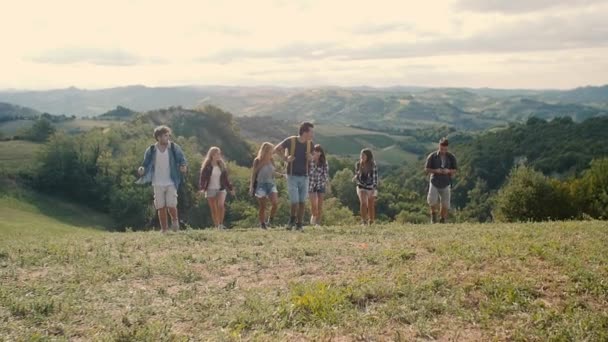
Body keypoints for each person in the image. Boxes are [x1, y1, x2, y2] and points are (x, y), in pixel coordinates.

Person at [137, 125, 188, 233]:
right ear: (158, 137)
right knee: (160, 207)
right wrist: (141, 169)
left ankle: (175, 221)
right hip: (157, 181)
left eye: (168, 135)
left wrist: (183, 166)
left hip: (171, 181)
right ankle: (164, 229)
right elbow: (145, 164)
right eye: (165, 136)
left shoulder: (174, 147)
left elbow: (182, 159)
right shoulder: (151, 150)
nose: (167, 137)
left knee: (171, 205)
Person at [273, 122, 315, 231]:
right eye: (311, 132)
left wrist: (310, 157)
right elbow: (276, 149)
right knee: (294, 201)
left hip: (305, 176)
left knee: (302, 201)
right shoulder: (291, 140)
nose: (312, 134)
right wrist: (285, 158)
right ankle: (291, 221)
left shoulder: (310, 144)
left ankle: (299, 224)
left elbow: (313, 157)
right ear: (305, 132)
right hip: (292, 175)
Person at [199, 147, 235, 229]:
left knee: (221, 205)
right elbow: (202, 178)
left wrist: (231, 188)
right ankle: (216, 225)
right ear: (212, 155)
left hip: (221, 188)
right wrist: (202, 188)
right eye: (217, 154)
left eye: (219, 153)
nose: (219, 155)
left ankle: (221, 224)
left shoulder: (221, 165)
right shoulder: (207, 166)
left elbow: (226, 179)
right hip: (210, 189)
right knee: (213, 209)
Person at [250, 142, 283, 229]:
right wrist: (251, 187)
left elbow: (273, 172)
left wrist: (282, 175)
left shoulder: (272, 160)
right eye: (271, 150)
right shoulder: (257, 160)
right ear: (266, 151)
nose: (272, 152)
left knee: (275, 203)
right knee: (263, 206)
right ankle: (262, 224)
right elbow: (254, 173)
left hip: (271, 183)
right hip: (260, 185)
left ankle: (270, 220)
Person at [425, 137, 457, 224]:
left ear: (447, 148)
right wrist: (436, 171)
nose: (443, 151)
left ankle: (442, 220)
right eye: (441, 149)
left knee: (445, 204)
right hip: (434, 181)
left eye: (445, 149)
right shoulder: (432, 156)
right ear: (439, 146)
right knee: (432, 200)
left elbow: (455, 170)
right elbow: (427, 169)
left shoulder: (451, 157)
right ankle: (433, 215)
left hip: (446, 183)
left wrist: (448, 171)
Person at [354, 149, 378, 226]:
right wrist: (356, 177)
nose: (362, 157)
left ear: (368, 156)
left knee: (371, 205)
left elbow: (375, 178)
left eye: (363, 155)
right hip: (361, 186)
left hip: (371, 187)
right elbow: (358, 174)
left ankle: (371, 221)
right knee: (363, 203)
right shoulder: (358, 164)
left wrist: (374, 189)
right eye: (361, 155)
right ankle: (364, 221)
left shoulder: (373, 165)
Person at [308, 144, 329, 227]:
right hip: (311, 184)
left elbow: (326, 174)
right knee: (313, 204)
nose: (314, 153)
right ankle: (314, 214)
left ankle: (318, 223)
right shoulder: (310, 162)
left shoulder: (324, 162)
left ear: (320, 153)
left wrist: (323, 182)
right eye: (313, 151)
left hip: (321, 184)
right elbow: (309, 172)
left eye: (316, 151)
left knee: (320, 205)